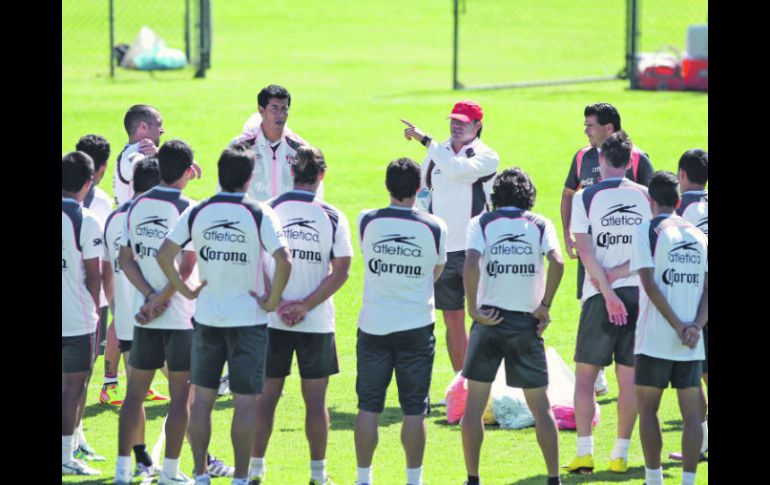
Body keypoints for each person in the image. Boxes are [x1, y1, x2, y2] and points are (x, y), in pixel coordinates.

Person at [156, 143, 293, 485]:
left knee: (202, 400)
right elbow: (284, 259)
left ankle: (201, 475)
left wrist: (185, 289)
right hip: (248, 320)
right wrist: (272, 300)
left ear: (219, 175)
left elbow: (164, 254)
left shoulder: (198, 211)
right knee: (246, 402)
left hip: (206, 318)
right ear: (249, 178)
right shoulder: (259, 212)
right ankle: (241, 477)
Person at [249, 146, 353, 485]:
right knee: (316, 402)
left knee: (265, 399)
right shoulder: (333, 215)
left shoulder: (268, 210)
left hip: (271, 321)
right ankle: (318, 476)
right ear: (321, 175)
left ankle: (255, 472)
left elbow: (257, 261)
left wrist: (276, 300)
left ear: (293, 173)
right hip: (316, 323)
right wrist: (305, 306)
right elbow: (341, 272)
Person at [461, 167, 564, 485]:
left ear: (495, 197)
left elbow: (470, 262)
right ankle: (553, 478)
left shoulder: (481, 222)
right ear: (528, 196)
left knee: (474, 408)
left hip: (489, 322)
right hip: (525, 325)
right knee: (541, 409)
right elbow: (558, 262)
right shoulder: (540, 223)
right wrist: (544, 306)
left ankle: (473, 478)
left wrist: (473, 309)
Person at [354, 158, 447, 485]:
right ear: (419, 186)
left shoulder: (366, 220)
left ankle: (363, 479)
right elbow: (435, 271)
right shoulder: (435, 226)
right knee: (413, 409)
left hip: (373, 326)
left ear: (388, 186)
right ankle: (413, 480)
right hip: (416, 326)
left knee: (368, 407)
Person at [564, 131, 652, 474]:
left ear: (600, 159)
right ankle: (620, 454)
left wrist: (608, 290)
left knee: (586, 377)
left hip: (599, 295)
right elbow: (650, 251)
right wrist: (619, 275)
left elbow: (584, 251)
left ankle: (585, 453)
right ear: (631, 162)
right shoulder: (646, 197)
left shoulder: (585, 197)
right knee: (628, 378)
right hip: (639, 294)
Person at [115, 139, 199, 485]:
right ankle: (169, 472)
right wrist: (163, 298)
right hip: (178, 318)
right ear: (187, 170)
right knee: (181, 398)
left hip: (144, 317)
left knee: (134, 395)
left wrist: (149, 297)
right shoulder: (190, 208)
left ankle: (121, 473)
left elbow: (125, 258)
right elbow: (188, 263)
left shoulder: (135, 206)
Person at [559, 103, 654, 396]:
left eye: (590, 125)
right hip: (593, 247)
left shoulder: (638, 159)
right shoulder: (580, 157)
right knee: (591, 303)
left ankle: (620, 373)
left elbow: (653, 207)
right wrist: (568, 234)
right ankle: (597, 371)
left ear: (608, 128)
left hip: (628, 258)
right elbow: (568, 194)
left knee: (623, 310)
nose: (585, 130)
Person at [401, 100, 499, 380]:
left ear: (477, 126)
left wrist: (426, 140)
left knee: (485, 318)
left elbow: (458, 170)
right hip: (442, 252)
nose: (456, 126)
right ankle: (462, 385)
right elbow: (422, 194)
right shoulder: (436, 153)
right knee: (452, 320)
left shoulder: (487, 156)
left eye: (463, 122)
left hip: (475, 251)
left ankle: (488, 383)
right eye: (453, 120)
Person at [629, 171, 708, 485]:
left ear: (651, 201)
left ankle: (654, 480)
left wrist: (677, 326)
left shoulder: (647, 230)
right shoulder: (699, 235)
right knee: (692, 415)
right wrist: (695, 327)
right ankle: (688, 480)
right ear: (678, 200)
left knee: (648, 410)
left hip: (655, 340)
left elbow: (649, 284)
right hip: (691, 342)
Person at [103, 158, 171, 479]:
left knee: (135, 394)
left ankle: (133, 460)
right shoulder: (164, 213)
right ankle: (195, 460)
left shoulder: (114, 218)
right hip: (163, 317)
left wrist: (117, 308)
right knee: (189, 392)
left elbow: (109, 269)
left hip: (129, 321)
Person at [66, 135, 112, 464]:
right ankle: (66, 454)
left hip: (79, 313)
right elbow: (94, 274)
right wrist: (97, 308)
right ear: (90, 178)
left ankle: (75, 442)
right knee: (75, 384)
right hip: (79, 315)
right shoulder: (86, 218)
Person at [670, 148, 709, 463]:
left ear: (682, 175)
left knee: (691, 373)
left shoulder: (679, 208)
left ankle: (696, 445)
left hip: (695, 298)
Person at [231, 84, 323, 202]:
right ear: (261, 110)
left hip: (288, 218)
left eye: (284, 108)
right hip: (254, 217)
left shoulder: (300, 149)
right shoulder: (241, 147)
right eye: (274, 108)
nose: (280, 114)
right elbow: (226, 189)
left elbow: (315, 192)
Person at [113, 105, 201, 207]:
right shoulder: (131, 155)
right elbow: (146, 172)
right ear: (143, 126)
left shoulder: (135, 152)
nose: (162, 130)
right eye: (159, 125)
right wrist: (172, 159)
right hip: (138, 220)